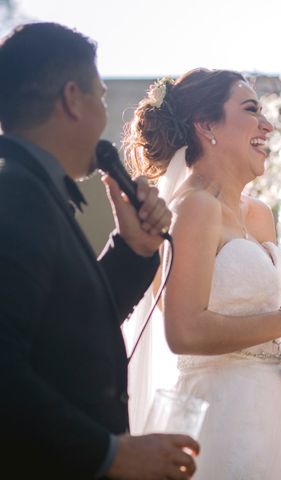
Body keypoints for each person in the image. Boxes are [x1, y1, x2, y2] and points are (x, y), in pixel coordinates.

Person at [0, 23, 199, 479]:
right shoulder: (17, 196)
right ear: (72, 98)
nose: (105, 114)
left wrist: (133, 251)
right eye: (102, 96)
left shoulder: (37, 192)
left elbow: (62, 332)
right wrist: (110, 453)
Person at [123, 69, 281, 480]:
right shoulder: (194, 208)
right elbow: (183, 332)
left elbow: (266, 328)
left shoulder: (260, 216)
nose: (267, 124)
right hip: (220, 414)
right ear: (206, 126)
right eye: (251, 110)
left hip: (275, 410)